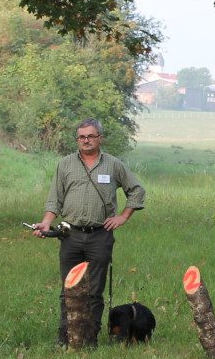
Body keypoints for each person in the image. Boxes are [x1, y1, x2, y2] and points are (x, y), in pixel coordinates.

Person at [33, 118, 145, 346]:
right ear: (77, 139)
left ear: (99, 138)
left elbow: (137, 191)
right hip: (70, 235)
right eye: (81, 137)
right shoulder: (65, 164)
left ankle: (89, 338)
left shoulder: (113, 165)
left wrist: (123, 217)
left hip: (100, 236)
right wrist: (46, 222)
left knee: (94, 291)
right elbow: (55, 199)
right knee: (68, 290)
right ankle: (65, 337)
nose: (86, 140)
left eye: (90, 136)